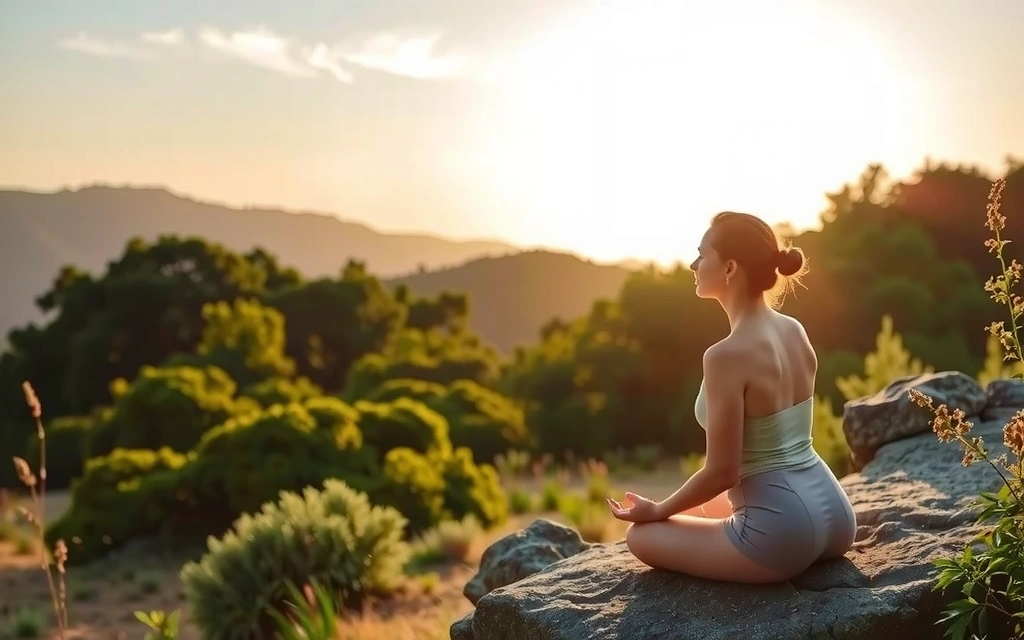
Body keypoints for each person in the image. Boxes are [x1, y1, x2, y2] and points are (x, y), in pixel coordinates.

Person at [606, 211, 857, 584]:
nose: (693, 264)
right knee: (706, 506)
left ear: (729, 269)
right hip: (835, 515)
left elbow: (723, 472)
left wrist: (658, 510)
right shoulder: (794, 330)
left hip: (781, 537)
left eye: (701, 255)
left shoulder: (725, 355)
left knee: (641, 536)